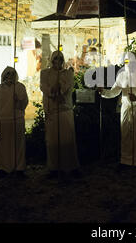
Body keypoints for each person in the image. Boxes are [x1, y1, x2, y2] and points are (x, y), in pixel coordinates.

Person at [98, 52, 136, 169]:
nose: (129, 64)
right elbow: (114, 91)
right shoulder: (121, 75)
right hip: (126, 108)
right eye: (126, 61)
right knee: (126, 134)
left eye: (131, 61)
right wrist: (104, 92)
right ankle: (126, 160)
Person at [40, 50, 80, 178]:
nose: (58, 61)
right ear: (52, 60)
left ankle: (69, 167)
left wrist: (60, 90)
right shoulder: (45, 73)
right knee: (52, 142)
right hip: (52, 111)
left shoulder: (67, 73)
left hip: (64, 110)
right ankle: (53, 168)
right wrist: (53, 93)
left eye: (60, 59)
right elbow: (44, 86)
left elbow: (67, 85)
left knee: (67, 140)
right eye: (55, 58)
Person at [0, 66, 29, 178]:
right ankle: (2, 168)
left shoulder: (20, 87)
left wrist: (19, 100)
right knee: (3, 146)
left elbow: (24, 103)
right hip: (3, 120)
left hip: (17, 119)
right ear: (4, 75)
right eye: (7, 73)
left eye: (12, 73)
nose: (10, 76)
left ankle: (19, 168)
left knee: (18, 145)